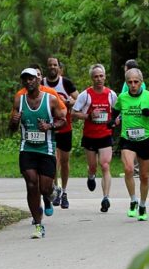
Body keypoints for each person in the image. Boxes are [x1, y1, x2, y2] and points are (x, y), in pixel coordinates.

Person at [10, 68, 68, 238]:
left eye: (31, 79)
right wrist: (13, 122)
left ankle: (52, 192)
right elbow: (12, 128)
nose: (28, 82)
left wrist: (50, 126)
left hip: (46, 149)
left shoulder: (50, 99)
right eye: (25, 79)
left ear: (38, 80)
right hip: (27, 148)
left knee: (45, 188)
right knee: (31, 184)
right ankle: (38, 223)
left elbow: (63, 120)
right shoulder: (19, 100)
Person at [109, 68, 149, 221]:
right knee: (128, 169)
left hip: (145, 139)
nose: (133, 85)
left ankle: (142, 205)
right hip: (128, 139)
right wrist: (112, 121)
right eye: (130, 82)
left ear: (141, 82)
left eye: (136, 82)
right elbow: (115, 111)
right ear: (126, 83)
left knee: (144, 176)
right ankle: (133, 200)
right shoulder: (122, 97)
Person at [72, 64, 117, 212]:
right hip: (90, 136)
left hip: (105, 135)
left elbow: (118, 113)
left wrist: (116, 121)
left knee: (105, 165)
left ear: (105, 77)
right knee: (93, 166)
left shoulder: (111, 95)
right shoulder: (86, 95)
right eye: (95, 76)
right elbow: (74, 114)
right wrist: (88, 116)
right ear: (92, 78)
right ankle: (91, 176)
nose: (99, 79)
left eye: (101, 76)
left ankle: (106, 198)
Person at [43, 57, 78, 209]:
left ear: (59, 67)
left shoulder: (66, 83)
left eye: (55, 65)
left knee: (64, 161)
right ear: (47, 67)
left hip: (65, 127)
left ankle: (63, 191)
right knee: (53, 160)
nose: (52, 67)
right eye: (50, 65)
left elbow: (79, 99)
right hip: (49, 128)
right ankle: (55, 188)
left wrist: (71, 102)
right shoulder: (41, 83)